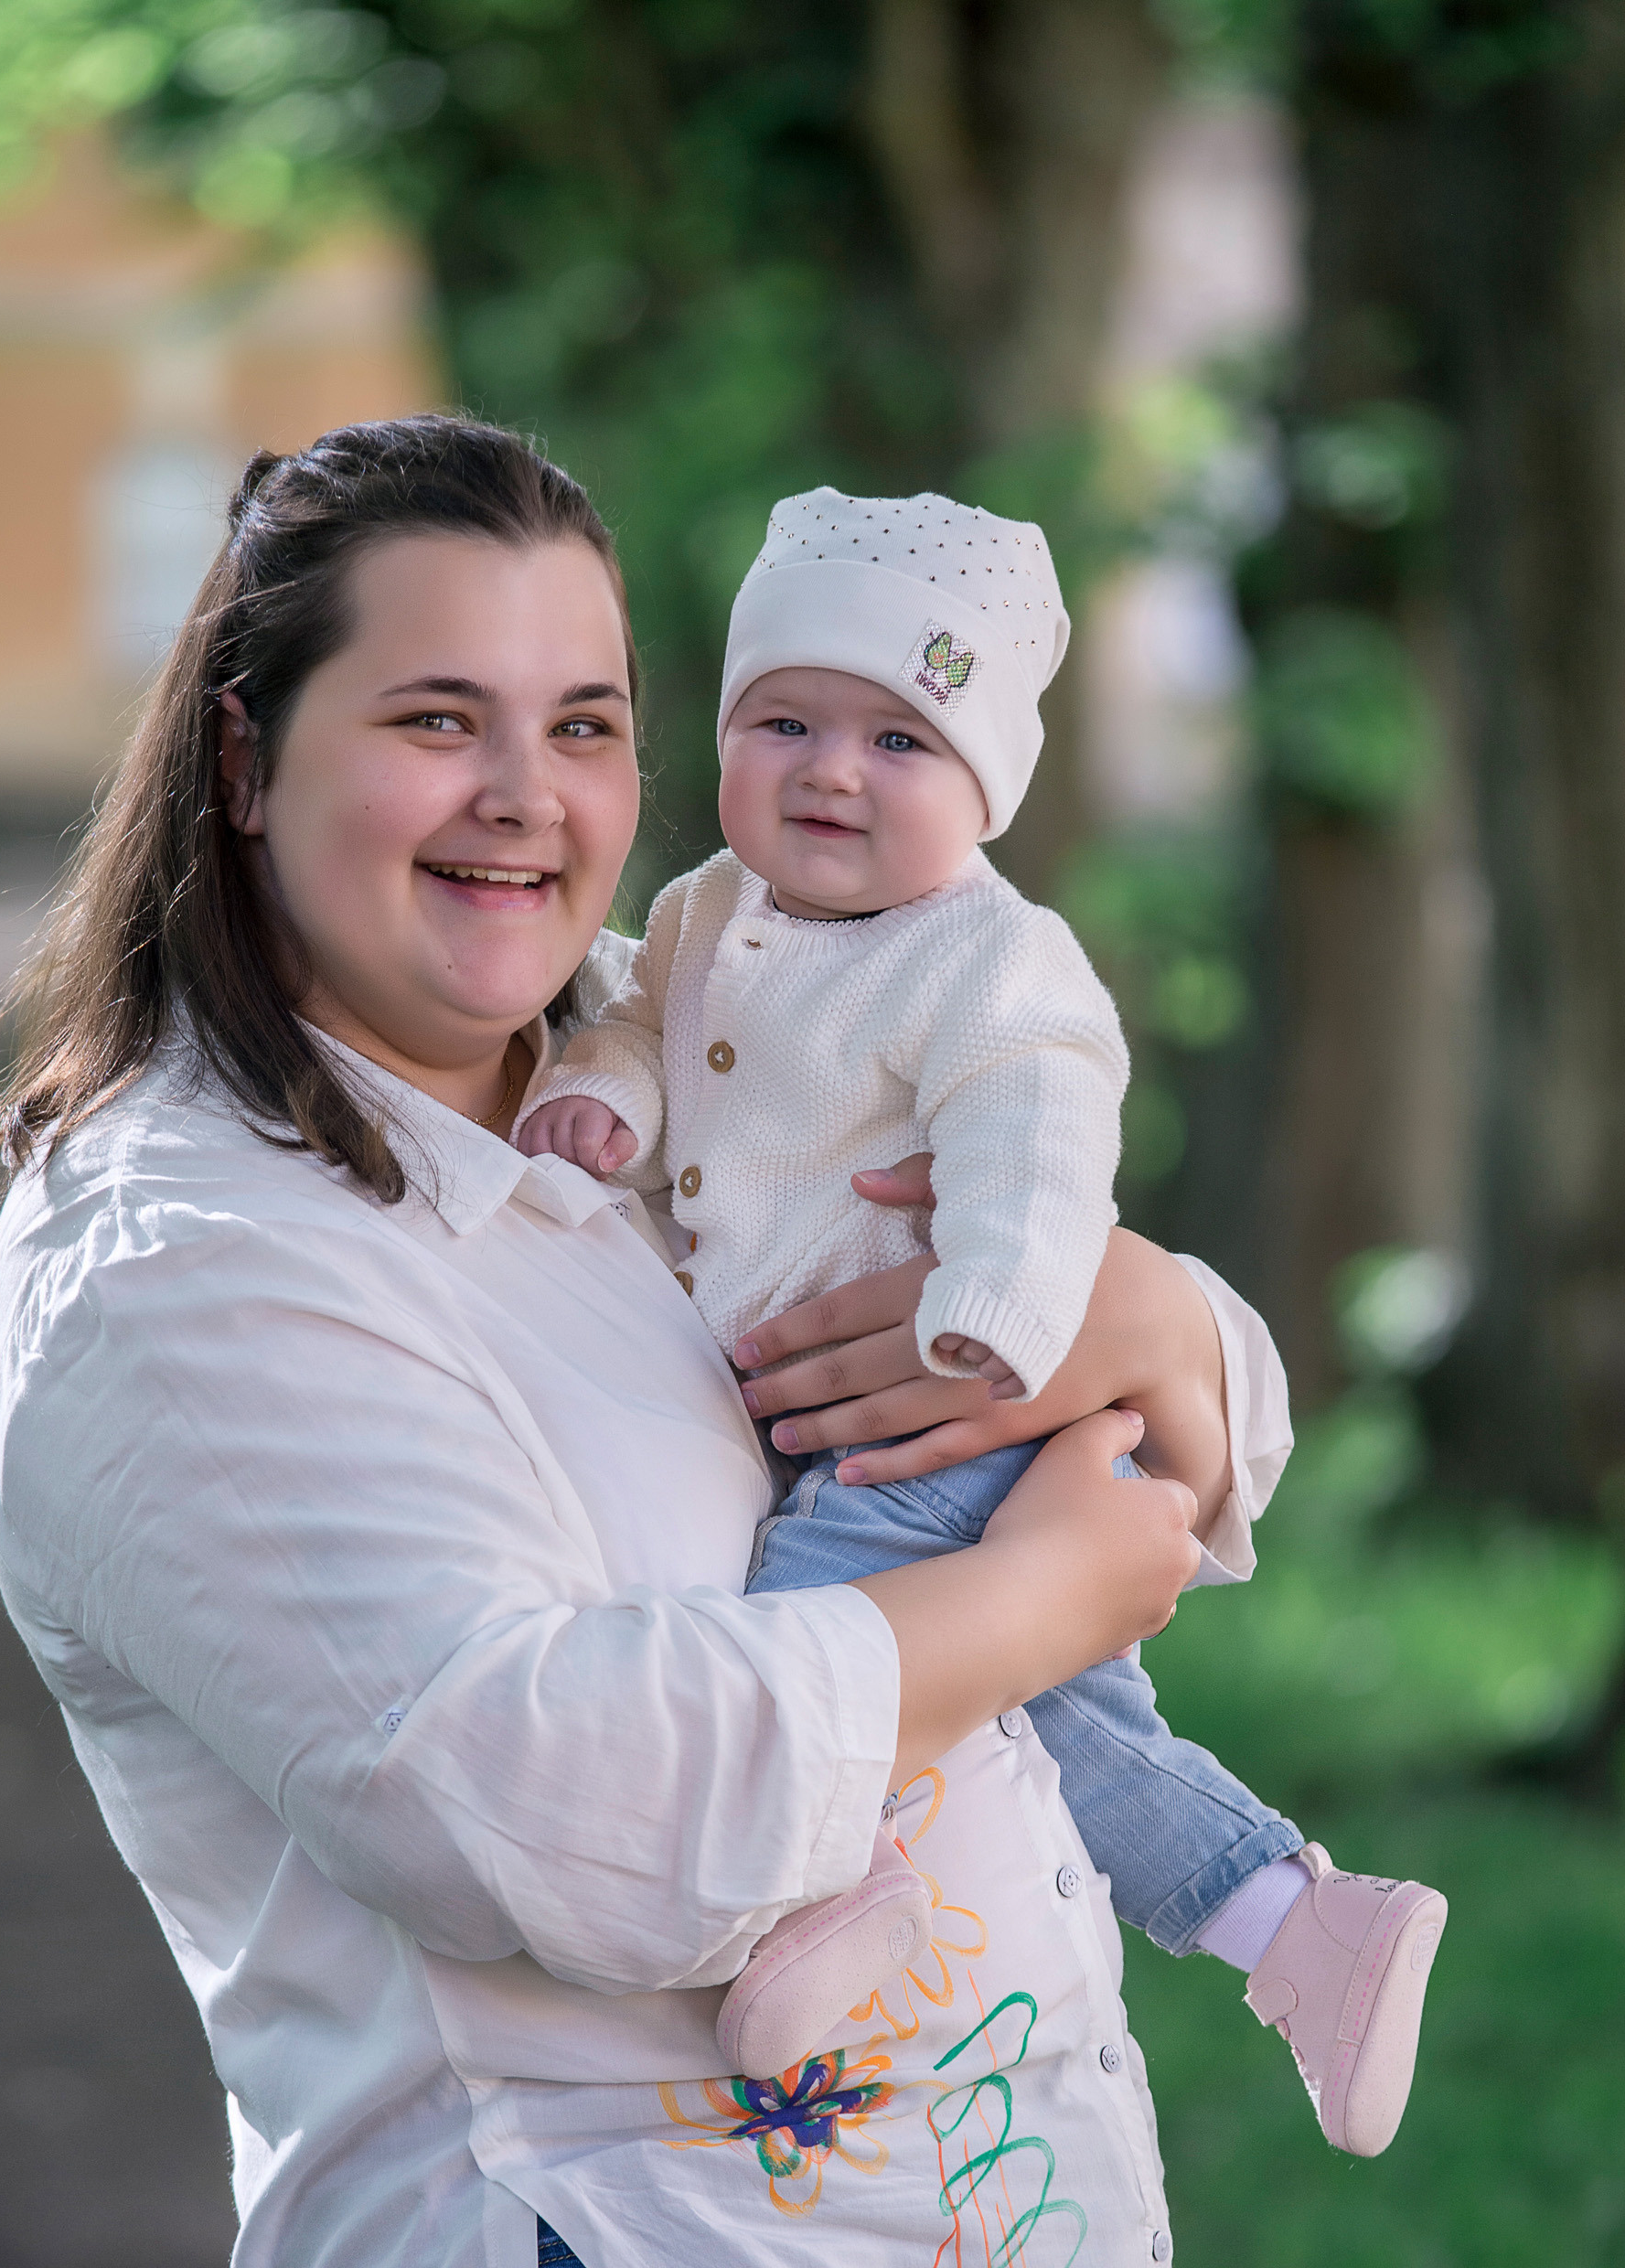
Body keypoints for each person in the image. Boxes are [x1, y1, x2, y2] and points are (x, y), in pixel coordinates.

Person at [0, 416, 1286, 2268]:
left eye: (584, 725)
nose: (530, 798)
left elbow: (1156, 1411)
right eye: (437, 719)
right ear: (247, 757)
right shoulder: (186, 1264)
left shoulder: (628, 1102)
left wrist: (1162, 1319)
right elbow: (552, 1803)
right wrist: (1051, 1603)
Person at [517, 486, 1448, 2146]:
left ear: (988, 787)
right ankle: (1297, 1923)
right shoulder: (696, 917)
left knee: (807, 1618)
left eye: (900, 741)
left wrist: (997, 1327)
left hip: (947, 1404)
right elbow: (637, 1033)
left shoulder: (989, 966)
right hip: (853, 1411)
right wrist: (600, 1104)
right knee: (1077, 1717)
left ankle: (820, 1891)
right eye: (784, 719)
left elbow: (1041, 1142)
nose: (829, 771)